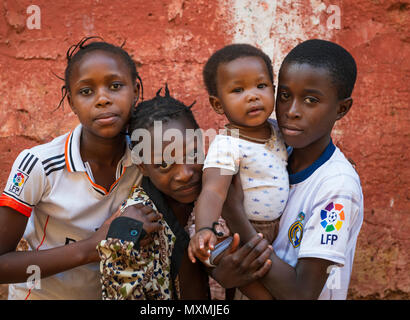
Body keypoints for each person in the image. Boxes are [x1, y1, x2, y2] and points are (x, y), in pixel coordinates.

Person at [0, 37, 147, 299]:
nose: (102, 99)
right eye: (86, 91)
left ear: (135, 90)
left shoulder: (146, 162)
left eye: (115, 86)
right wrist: (92, 248)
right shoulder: (40, 164)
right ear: (71, 103)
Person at [218, 39, 364, 300]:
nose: (291, 111)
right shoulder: (268, 148)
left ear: (341, 109)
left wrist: (233, 213)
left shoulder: (337, 188)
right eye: (284, 96)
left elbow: (302, 294)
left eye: (310, 100)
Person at [97, 86, 273, 300]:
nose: (184, 174)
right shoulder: (134, 227)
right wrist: (220, 275)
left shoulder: (220, 191)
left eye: (192, 154)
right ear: (143, 167)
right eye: (163, 164)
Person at [187, 44, 288, 299]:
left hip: (277, 229)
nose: (252, 96)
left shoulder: (278, 130)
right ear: (218, 104)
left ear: (274, 90)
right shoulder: (227, 144)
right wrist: (203, 229)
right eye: (238, 90)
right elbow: (212, 191)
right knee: (247, 274)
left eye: (261, 86)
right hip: (238, 232)